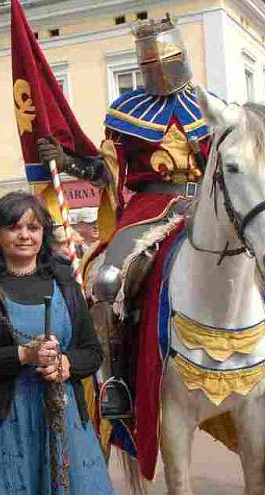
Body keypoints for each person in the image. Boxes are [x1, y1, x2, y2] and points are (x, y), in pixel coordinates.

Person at [0, 192, 144, 495]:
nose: (25, 235)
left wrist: (66, 365)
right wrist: (21, 356)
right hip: (5, 426)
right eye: (15, 227)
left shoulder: (64, 280)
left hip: (64, 422)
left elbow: (90, 351)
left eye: (33, 227)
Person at [37, 15, 210, 420]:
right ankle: (115, 380)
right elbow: (108, 170)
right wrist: (66, 162)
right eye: (150, 67)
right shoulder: (126, 112)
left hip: (205, 202)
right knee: (108, 278)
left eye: (167, 62)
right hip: (150, 208)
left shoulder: (207, 105)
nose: (161, 73)